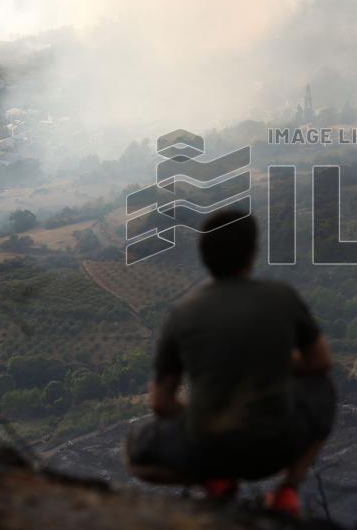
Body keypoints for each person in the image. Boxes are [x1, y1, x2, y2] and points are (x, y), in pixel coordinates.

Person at [125, 210, 336, 517]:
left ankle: (215, 480)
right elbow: (320, 362)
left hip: (209, 450)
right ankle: (287, 489)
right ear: (251, 254)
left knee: (136, 453)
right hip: (273, 448)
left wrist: (203, 414)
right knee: (323, 389)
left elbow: (160, 403)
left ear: (204, 257)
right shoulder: (281, 297)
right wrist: (271, 361)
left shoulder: (182, 312)